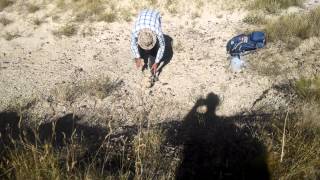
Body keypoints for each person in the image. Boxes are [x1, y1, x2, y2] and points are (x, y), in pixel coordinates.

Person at [131, 9, 165, 75]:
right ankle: (142, 52)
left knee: (156, 48)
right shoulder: (135, 31)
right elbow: (133, 44)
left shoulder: (158, 32)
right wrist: (137, 57)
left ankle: (153, 52)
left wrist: (156, 62)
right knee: (139, 52)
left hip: (155, 15)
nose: (147, 49)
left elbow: (162, 46)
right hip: (142, 14)